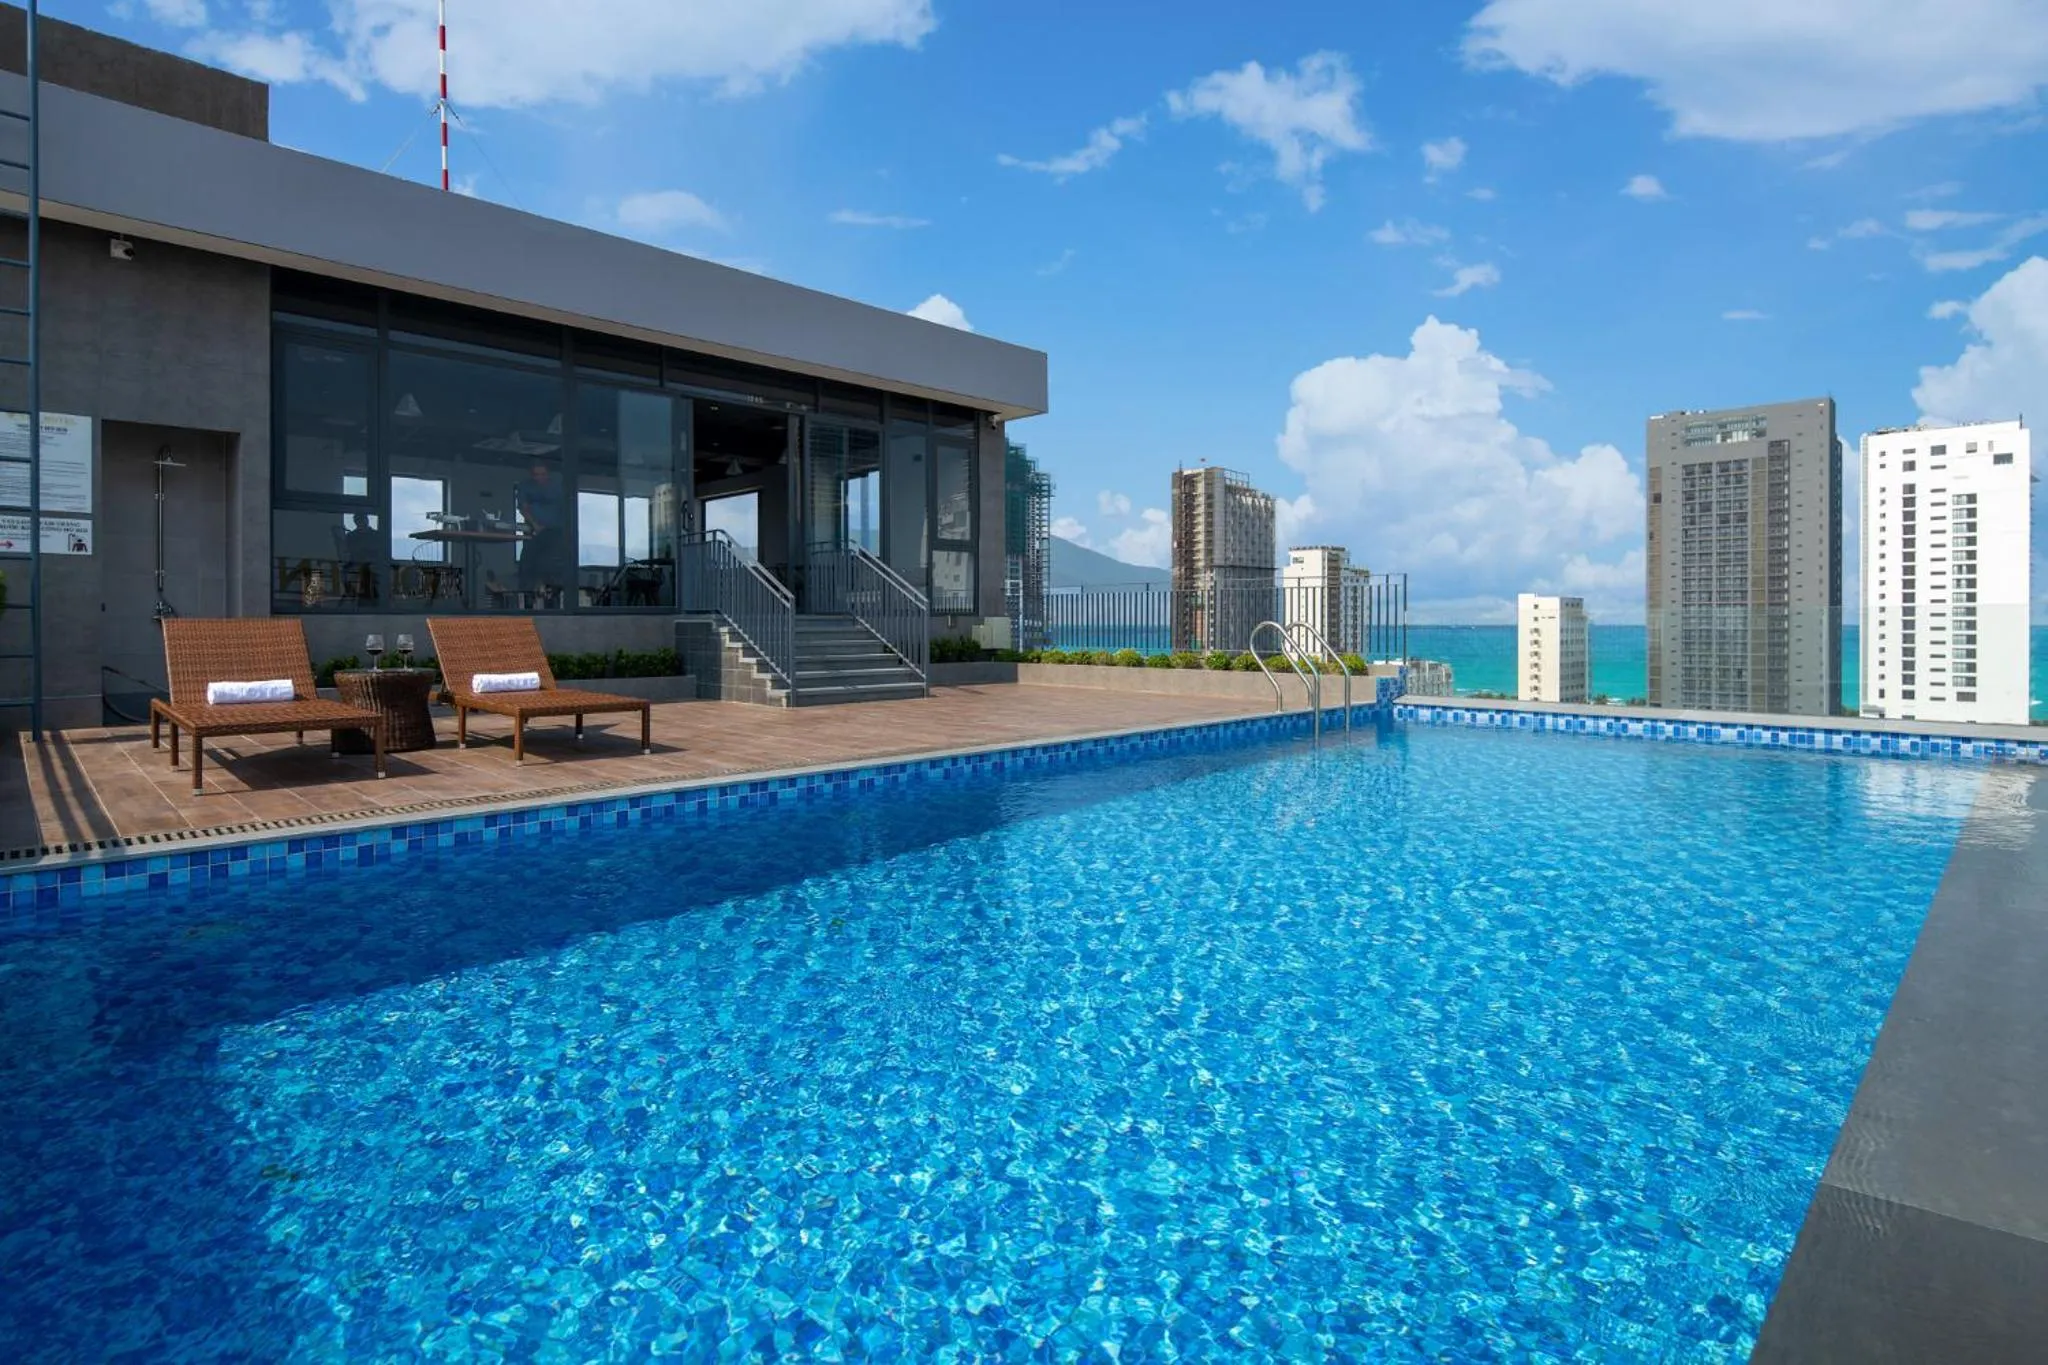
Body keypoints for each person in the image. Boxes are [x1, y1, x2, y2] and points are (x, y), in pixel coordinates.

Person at [514, 460, 567, 606]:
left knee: (552, 568)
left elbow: (567, 508)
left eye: (542, 474)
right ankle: (525, 605)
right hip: (534, 532)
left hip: (555, 532)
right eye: (536, 474)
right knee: (528, 567)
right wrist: (536, 525)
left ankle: (555, 605)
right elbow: (524, 508)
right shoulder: (525, 486)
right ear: (532, 475)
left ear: (548, 474)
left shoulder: (557, 487)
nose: (540, 477)